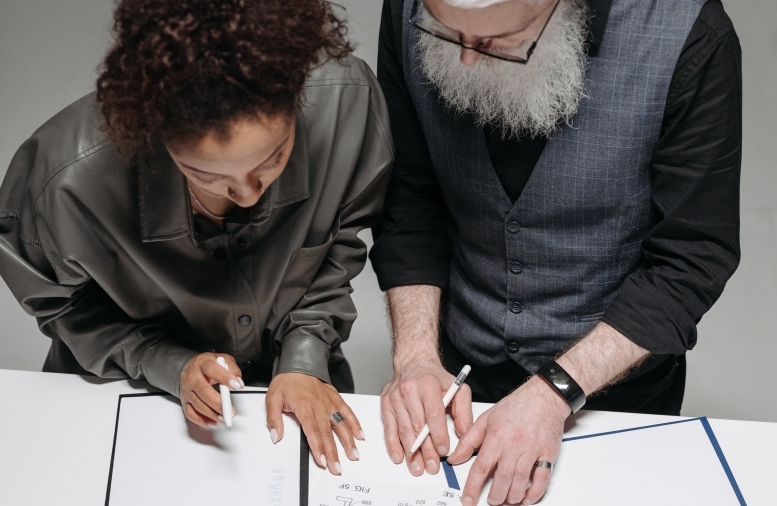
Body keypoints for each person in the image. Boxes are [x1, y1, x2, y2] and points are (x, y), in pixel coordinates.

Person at [370, 0, 741, 504]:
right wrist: (415, 356)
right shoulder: (408, 8)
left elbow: (689, 261)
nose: (466, 60)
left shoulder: (693, 34)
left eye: (496, 40)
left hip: (613, 385)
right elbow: (410, 200)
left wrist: (554, 393)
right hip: (459, 367)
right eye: (446, 32)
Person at [0, 0, 393, 475]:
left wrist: (304, 357)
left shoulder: (345, 103)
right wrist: (163, 361)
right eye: (206, 175)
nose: (248, 194)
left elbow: (340, 245)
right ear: (153, 130)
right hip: (125, 394)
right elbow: (62, 307)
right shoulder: (62, 184)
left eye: (273, 158)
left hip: (299, 384)